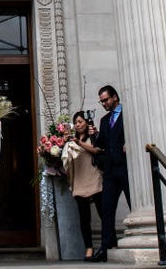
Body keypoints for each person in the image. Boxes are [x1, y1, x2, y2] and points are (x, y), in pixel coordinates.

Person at [86, 85, 130, 263]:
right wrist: (95, 134)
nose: (103, 103)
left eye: (105, 100)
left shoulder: (128, 115)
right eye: (101, 101)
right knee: (106, 208)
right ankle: (105, 247)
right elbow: (101, 145)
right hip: (111, 170)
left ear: (115, 97)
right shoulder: (105, 120)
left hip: (126, 168)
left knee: (132, 202)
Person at [65, 111, 103, 260]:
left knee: (102, 212)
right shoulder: (71, 140)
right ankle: (89, 247)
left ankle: (108, 242)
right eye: (76, 122)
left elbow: (97, 150)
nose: (78, 124)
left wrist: (78, 142)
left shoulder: (93, 135)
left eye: (80, 121)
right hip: (79, 180)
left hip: (94, 177)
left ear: (86, 122)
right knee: (84, 218)